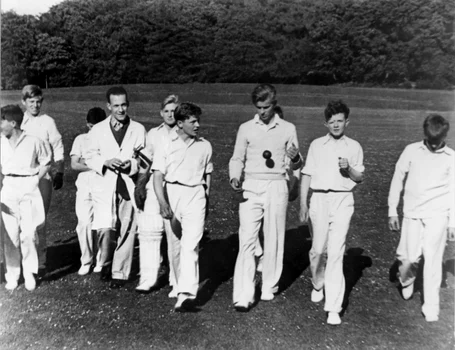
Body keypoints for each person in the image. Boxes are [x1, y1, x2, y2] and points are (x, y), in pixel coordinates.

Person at [229, 84, 302, 312]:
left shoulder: (288, 128)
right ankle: (244, 293)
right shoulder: (246, 128)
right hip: (251, 185)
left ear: (274, 103)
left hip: (277, 185)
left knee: (274, 237)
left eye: (267, 107)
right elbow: (236, 158)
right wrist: (234, 176)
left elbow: (297, 164)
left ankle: (269, 284)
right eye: (259, 107)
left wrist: (296, 158)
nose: (263, 112)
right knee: (247, 239)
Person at [299, 100, 364, 325]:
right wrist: (303, 203)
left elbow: (359, 177)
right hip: (319, 199)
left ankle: (333, 307)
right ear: (325, 123)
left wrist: (349, 169)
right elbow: (306, 174)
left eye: (340, 121)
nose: (336, 125)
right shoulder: (317, 145)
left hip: (343, 200)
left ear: (347, 121)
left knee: (336, 253)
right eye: (331, 122)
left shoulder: (354, 146)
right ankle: (318, 283)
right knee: (318, 250)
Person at [388, 114, 455, 322]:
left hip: (438, 214)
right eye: (430, 140)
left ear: (445, 135)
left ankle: (431, 306)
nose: (434, 146)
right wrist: (392, 209)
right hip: (412, 213)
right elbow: (398, 177)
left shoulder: (451, 158)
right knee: (409, 258)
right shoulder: (411, 151)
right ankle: (407, 280)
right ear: (425, 134)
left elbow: (454, 191)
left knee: (433, 261)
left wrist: (452, 222)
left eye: (438, 141)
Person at [153, 102, 213, 311]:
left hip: (196, 195)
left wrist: (207, 198)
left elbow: (207, 175)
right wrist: (162, 203)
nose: (197, 125)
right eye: (192, 121)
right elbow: (158, 175)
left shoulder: (205, 145)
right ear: (180, 123)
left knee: (190, 245)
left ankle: (187, 294)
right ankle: (178, 285)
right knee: (175, 245)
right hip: (173, 193)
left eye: (198, 121)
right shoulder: (165, 143)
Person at [85, 86, 146, 289]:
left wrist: (132, 165)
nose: (120, 110)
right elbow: (90, 155)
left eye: (124, 105)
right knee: (106, 228)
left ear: (128, 104)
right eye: (116, 106)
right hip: (105, 184)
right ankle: (106, 261)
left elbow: (144, 158)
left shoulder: (137, 129)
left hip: (127, 184)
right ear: (108, 106)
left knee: (128, 227)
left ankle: (120, 272)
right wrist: (105, 162)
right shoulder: (98, 130)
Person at [0, 105, 51, 291]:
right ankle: (12, 275)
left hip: (29, 187)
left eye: (2, 120)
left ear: (13, 123)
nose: (0, 124)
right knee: (10, 234)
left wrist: (34, 180)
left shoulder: (33, 141)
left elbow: (46, 161)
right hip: (9, 188)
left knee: (29, 234)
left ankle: (29, 272)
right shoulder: (1, 142)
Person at [134, 94, 179, 293]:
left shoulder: (185, 131)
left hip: (177, 188)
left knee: (175, 234)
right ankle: (147, 278)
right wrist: (140, 185)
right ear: (161, 113)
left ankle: (176, 279)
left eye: (174, 111)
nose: (170, 115)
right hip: (154, 186)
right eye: (167, 111)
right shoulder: (153, 134)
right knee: (149, 232)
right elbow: (145, 162)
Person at [21, 85, 65, 276]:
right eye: (31, 102)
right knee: (22, 221)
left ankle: (41, 262)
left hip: (42, 177)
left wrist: (60, 171)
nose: (35, 105)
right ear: (24, 102)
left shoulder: (48, 122)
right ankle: (23, 261)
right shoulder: (18, 122)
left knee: (39, 219)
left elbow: (58, 146)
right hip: (21, 178)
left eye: (38, 101)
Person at [70, 107, 107, 276]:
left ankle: (100, 259)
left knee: (102, 223)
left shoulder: (108, 140)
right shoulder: (81, 139)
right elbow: (74, 164)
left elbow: (109, 164)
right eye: (92, 126)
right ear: (88, 125)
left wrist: (89, 162)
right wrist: (95, 164)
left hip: (103, 182)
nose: (95, 130)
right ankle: (86, 260)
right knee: (84, 222)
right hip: (85, 183)